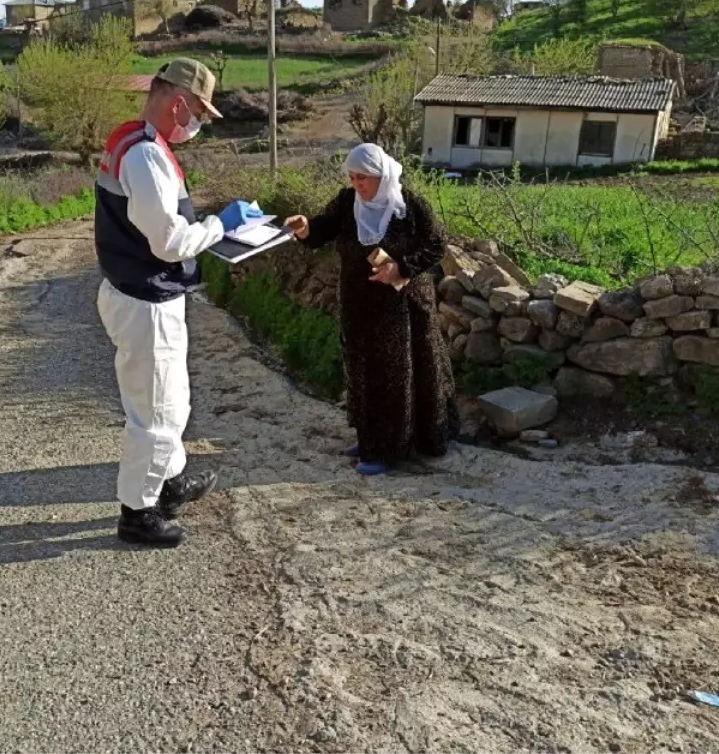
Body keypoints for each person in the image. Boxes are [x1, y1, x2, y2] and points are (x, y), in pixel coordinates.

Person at [95, 58, 263, 547]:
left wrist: (209, 224)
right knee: (157, 413)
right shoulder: (146, 155)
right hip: (146, 298)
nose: (201, 125)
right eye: (201, 115)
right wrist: (223, 226)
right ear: (180, 102)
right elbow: (167, 242)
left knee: (169, 401)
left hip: (140, 292)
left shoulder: (132, 139)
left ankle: (167, 484)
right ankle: (138, 513)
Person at [285, 143, 460, 475]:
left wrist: (402, 269)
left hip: (401, 304)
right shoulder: (347, 201)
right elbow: (322, 228)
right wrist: (305, 228)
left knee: (396, 374)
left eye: (363, 177)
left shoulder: (409, 205)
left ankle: (391, 449)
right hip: (358, 302)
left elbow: (436, 244)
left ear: (381, 175)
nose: (356, 184)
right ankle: (371, 438)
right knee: (362, 371)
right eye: (351, 177)